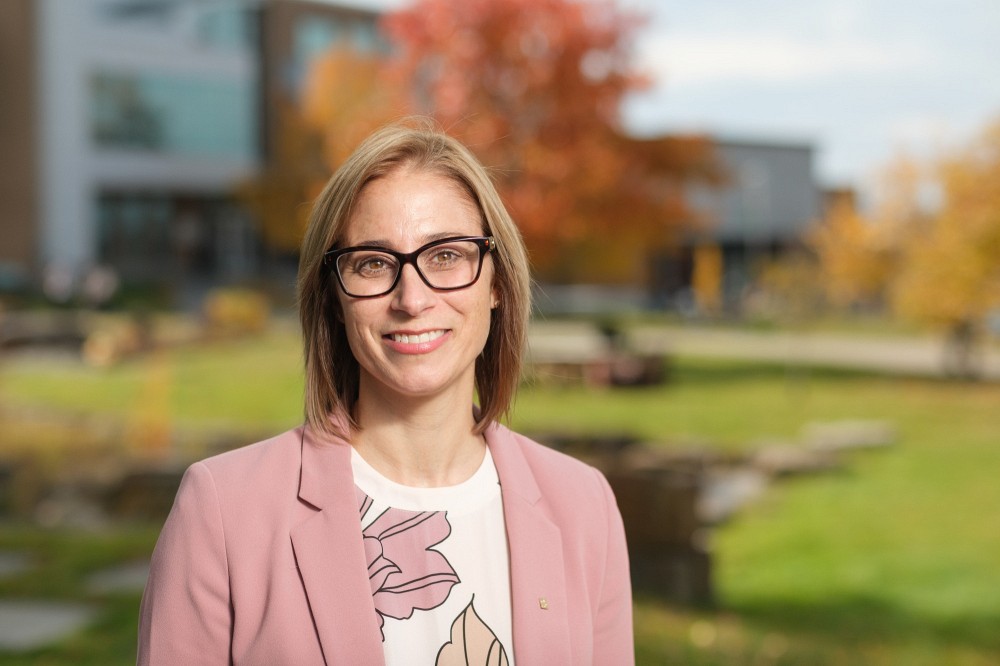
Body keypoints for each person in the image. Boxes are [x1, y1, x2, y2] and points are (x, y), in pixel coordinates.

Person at [137, 120, 633, 665]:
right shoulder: (223, 513)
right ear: (334, 297)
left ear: (496, 283)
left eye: (446, 255)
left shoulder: (584, 505)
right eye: (374, 263)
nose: (412, 299)